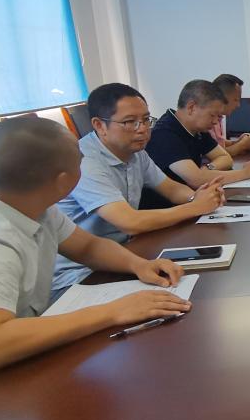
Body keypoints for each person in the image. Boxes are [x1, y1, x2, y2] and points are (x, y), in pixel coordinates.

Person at [0, 117, 192, 419]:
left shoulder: (24, 200)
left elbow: (87, 247)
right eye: (79, 162)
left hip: (10, 360)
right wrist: (113, 311)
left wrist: (139, 264)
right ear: (63, 181)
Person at [52, 83, 227, 294]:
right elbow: (130, 222)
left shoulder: (136, 153)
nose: (142, 129)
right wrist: (195, 207)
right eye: (130, 122)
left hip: (126, 254)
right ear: (99, 125)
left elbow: (171, 189)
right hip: (81, 275)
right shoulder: (85, 161)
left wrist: (201, 197)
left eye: (145, 120)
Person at [146, 79, 250, 189]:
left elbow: (225, 158)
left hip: (193, 197)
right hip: (169, 204)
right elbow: (196, 180)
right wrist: (245, 173)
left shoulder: (197, 128)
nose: (216, 122)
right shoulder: (164, 134)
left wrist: (207, 169)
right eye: (212, 115)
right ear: (191, 107)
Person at [211, 73, 250, 156]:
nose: (238, 105)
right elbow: (218, 154)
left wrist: (237, 142)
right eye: (236, 100)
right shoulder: (207, 120)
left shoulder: (218, 117)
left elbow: (218, 144)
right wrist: (243, 145)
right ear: (221, 97)